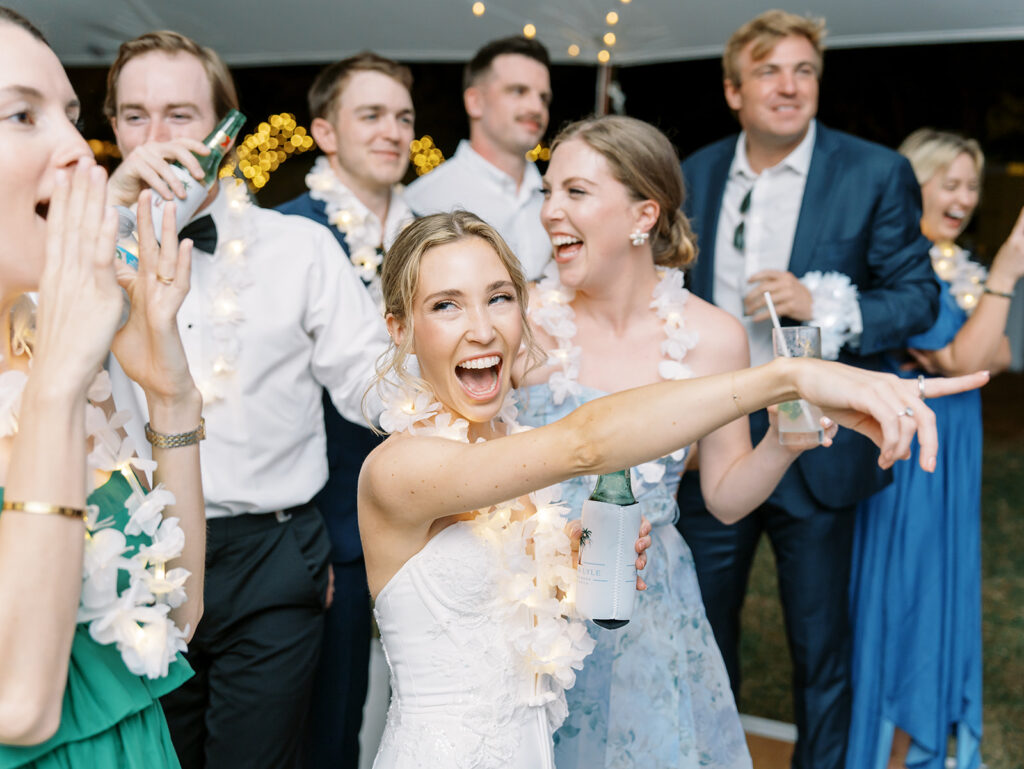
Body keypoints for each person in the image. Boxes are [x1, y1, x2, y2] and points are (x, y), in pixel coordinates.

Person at [358, 209, 983, 769]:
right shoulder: (401, 468)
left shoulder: (503, 454)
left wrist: (566, 575)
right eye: (445, 305)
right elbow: (585, 442)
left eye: (498, 297)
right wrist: (788, 376)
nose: (482, 328)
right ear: (400, 329)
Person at [102, 30, 389, 769]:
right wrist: (110, 220)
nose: (157, 138)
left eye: (180, 115)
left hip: (272, 554)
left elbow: (369, 381)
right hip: (126, 561)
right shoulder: (80, 261)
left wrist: (465, 402)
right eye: (135, 117)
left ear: (225, 133)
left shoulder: (298, 249)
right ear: (113, 129)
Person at [515, 113, 836, 767]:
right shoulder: (521, 320)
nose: (551, 211)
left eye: (575, 192)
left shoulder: (715, 336)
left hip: (649, 606)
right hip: (529, 604)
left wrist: (782, 440)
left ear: (643, 214)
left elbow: (722, 496)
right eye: (547, 191)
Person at [673, 11, 941, 768]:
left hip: (816, 443)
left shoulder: (872, 171)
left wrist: (819, 304)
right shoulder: (693, 174)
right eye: (769, 72)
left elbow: (916, 297)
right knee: (699, 634)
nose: (789, 87)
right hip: (710, 440)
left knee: (821, 651)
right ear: (733, 90)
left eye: (804, 71)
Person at [0, 8, 206, 767]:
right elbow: (16, 705)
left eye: (73, 116)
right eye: (22, 114)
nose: (79, 153)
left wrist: (169, 395)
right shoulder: (58, 364)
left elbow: (177, 615)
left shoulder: (49, 344)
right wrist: (57, 383)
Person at [847, 129, 1024, 769]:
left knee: (939, 600)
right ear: (911, 184)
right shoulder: (904, 266)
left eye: (973, 185)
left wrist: (981, 322)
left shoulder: (955, 265)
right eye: (949, 182)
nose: (965, 197)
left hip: (956, 460)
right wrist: (1007, 270)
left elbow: (1000, 351)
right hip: (914, 465)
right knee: (910, 611)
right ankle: (887, 757)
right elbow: (970, 357)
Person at [276, 51, 416, 769]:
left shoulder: (439, 236)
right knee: (324, 721)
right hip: (329, 524)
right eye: (372, 115)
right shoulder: (282, 236)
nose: (393, 131)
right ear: (325, 133)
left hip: (434, 512)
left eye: (403, 117)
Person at [404, 36, 552, 280]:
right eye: (518, 91)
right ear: (475, 102)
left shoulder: (556, 199)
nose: (537, 108)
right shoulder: (424, 201)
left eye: (543, 98)